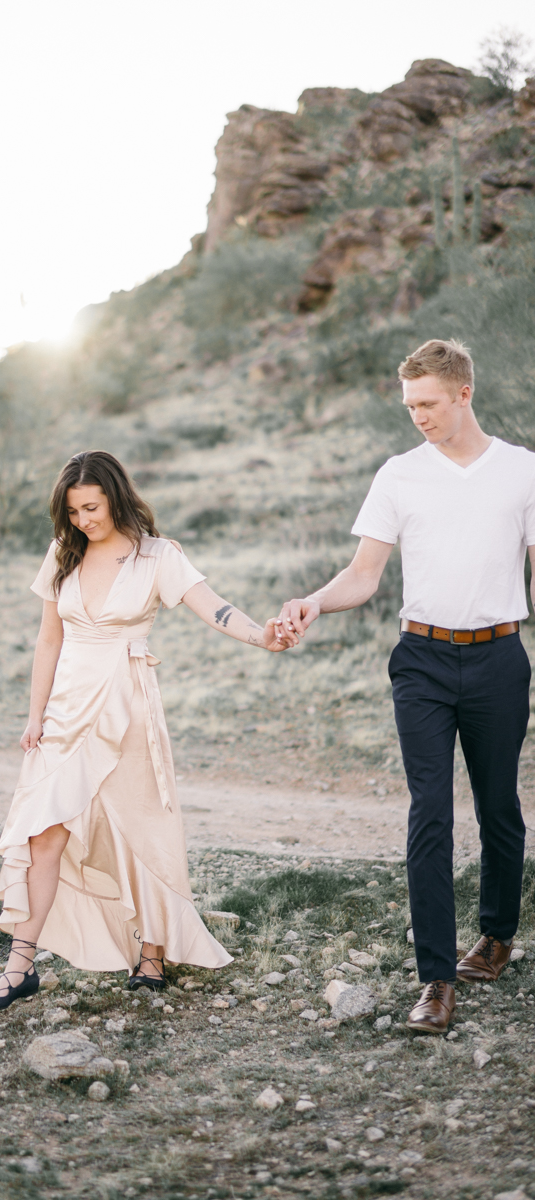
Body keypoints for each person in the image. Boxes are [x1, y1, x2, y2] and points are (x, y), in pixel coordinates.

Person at [275, 339, 534, 1035]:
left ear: (463, 395)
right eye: (409, 405)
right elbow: (364, 575)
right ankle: (437, 980)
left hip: (499, 658)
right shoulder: (398, 475)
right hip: (420, 657)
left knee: (498, 805)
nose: (417, 416)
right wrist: (313, 602)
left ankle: (498, 934)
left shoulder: (522, 472)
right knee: (429, 812)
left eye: (427, 403)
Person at [0, 450, 285, 1012]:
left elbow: (213, 608)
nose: (83, 520)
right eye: (72, 512)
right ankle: (19, 969)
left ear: (115, 496)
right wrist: (34, 714)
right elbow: (49, 639)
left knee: (140, 829)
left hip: (127, 708)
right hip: (65, 712)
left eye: (90, 507)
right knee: (43, 835)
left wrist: (263, 636)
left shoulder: (158, 557)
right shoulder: (62, 555)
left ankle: (153, 954)